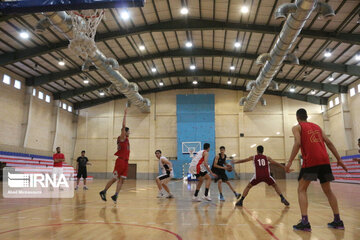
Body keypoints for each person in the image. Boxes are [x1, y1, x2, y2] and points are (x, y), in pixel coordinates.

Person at [285, 108, 348, 231]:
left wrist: (290, 162)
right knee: (328, 191)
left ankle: (304, 222)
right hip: (325, 160)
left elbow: (297, 143)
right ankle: (338, 221)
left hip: (311, 160)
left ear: (297, 117)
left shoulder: (297, 127)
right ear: (307, 116)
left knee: (301, 189)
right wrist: (339, 159)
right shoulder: (317, 126)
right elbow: (328, 142)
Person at [99, 107, 130, 204]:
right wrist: (125, 114)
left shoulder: (127, 140)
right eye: (128, 131)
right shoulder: (122, 137)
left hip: (125, 162)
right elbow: (123, 125)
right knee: (114, 179)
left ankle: (115, 195)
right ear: (124, 131)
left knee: (122, 180)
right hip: (120, 161)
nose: (129, 132)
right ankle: (103, 191)